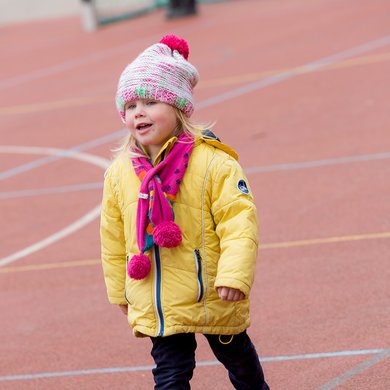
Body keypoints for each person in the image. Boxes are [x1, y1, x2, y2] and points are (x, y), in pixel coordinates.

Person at [100, 34, 270, 390]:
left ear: (177, 107)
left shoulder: (213, 162)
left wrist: (234, 276)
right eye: (130, 106)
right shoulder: (120, 173)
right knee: (170, 374)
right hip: (158, 296)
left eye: (150, 102)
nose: (139, 112)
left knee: (238, 359)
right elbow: (113, 237)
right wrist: (120, 290)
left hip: (208, 290)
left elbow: (239, 222)